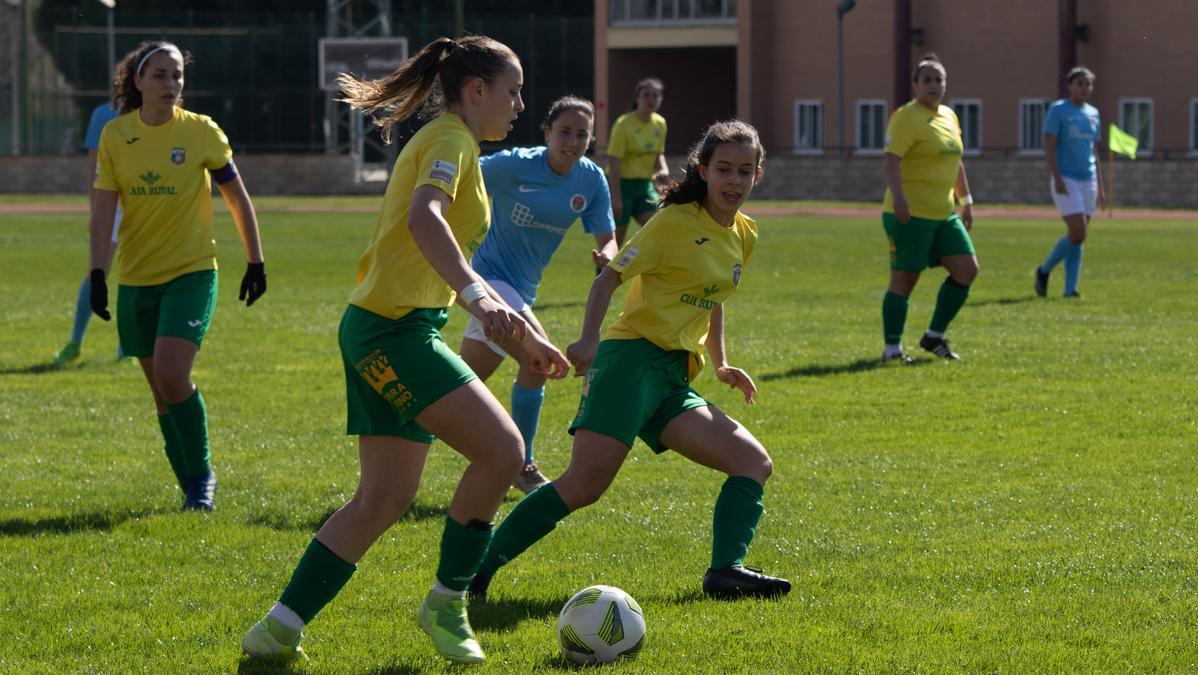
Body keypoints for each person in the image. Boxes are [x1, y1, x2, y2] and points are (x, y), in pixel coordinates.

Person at [240, 36, 569, 666]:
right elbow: (427, 223)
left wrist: (523, 331)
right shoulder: (451, 142)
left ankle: (277, 630)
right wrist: (477, 299)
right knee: (503, 451)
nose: (521, 104)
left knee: (384, 499)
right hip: (392, 333)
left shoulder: (457, 144)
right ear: (477, 91)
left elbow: (460, 256)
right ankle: (447, 602)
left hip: (384, 326)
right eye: (513, 90)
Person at [468, 119, 791, 604]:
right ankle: (473, 570)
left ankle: (726, 571)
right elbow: (608, 280)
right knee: (583, 486)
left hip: (672, 375)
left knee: (752, 463)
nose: (734, 181)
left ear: (757, 175)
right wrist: (589, 340)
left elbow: (713, 294)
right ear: (703, 170)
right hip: (628, 363)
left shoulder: (745, 233)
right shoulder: (673, 223)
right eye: (723, 169)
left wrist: (721, 363)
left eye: (745, 172)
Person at [87, 41, 267, 511]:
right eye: (161, 75)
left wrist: (256, 260)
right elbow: (102, 210)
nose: (171, 84)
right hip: (136, 279)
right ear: (138, 82)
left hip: (191, 274)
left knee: (172, 374)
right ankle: (189, 486)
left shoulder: (202, 131)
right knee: (160, 391)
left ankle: (203, 478)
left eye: (178, 76)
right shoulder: (115, 136)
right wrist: (98, 274)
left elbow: (237, 198)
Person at [460, 95, 618, 495]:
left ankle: (406, 426)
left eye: (583, 134)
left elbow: (609, 238)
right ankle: (523, 465)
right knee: (538, 359)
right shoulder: (516, 165)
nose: (573, 140)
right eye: (565, 131)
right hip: (486, 278)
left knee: (460, 383)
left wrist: (608, 257)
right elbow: (460, 178)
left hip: (522, 290)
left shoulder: (590, 179)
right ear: (547, 132)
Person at [879, 53, 977, 362]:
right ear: (916, 84)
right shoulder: (907, 116)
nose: (934, 85)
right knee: (905, 280)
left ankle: (934, 335)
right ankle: (892, 349)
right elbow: (891, 160)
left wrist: (967, 201)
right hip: (911, 213)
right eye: (927, 80)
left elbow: (955, 160)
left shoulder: (949, 115)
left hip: (944, 213)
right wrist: (901, 199)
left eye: (939, 80)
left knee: (967, 270)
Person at [53, 99, 124, 365]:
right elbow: (94, 166)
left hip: (142, 202)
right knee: (97, 272)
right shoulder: (103, 114)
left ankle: (126, 348)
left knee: (139, 275)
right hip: (112, 203)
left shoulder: (154, 114)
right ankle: (75, 342)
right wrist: (95, 209)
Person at [1035, 66, 1104, 299]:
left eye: (1088, 84)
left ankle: (1070, 290)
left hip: (1089, 180)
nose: (1085, 88)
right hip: (1068, 178)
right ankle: (1044, 271)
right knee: (1078, 232)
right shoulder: (1059, 111)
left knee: (1079, 236)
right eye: (1080, 83)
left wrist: (1100, 187)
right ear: (1070, 86)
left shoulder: (1093, 113)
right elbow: (1050, 146)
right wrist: (1057, 177)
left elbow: (1094, 150)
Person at [606, 77, 668, 247]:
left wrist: (663, 168)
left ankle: (648, 271)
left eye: (655, 95)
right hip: (621, 186)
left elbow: (658, 153)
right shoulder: (623, 124)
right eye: (646, 94)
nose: (651, 99)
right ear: (637, 98)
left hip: (644, 187)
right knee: (613, 244)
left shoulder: (660, 123)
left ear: (660, 99)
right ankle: (604, 273)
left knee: (660, 231)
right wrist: (616, 198)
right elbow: (614, 161)